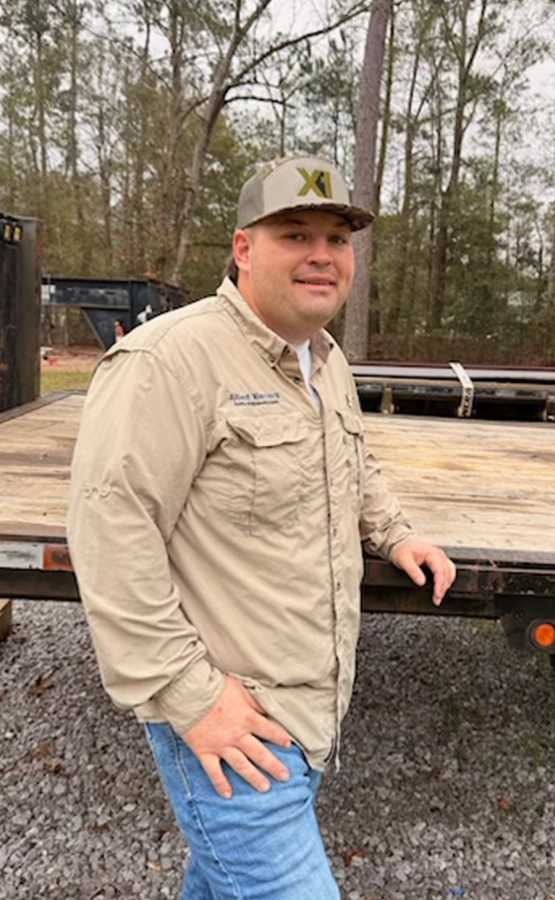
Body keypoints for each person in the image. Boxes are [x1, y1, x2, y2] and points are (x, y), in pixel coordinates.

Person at [67, 154, 456, 900]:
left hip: (308, 712)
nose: (322, 255)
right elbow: (110, 531)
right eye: (295, 234)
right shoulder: (169, 361)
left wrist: (396, 533)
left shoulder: (324, 359)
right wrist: (192, 696)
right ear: (244, 249)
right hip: (234, 723)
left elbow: (352, 464)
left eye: (336, 238)